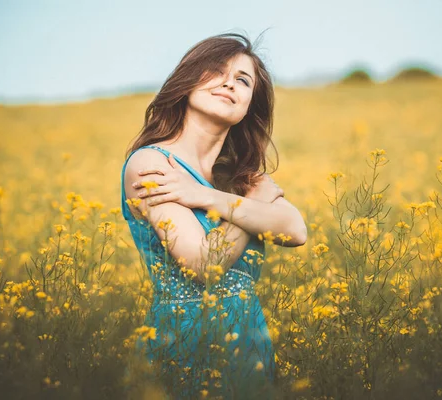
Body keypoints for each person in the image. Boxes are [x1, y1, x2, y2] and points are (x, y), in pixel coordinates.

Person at [121, 32, 307, 399]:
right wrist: (250, 206)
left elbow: (296, 230)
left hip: (249, 344)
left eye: (243, 80)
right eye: (217, 71)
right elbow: (204, 263)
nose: (229, 83)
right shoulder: (152, 164)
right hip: (184, 341)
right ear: (187, 80)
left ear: (250, 104)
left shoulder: (241, 178)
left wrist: (207, 196)